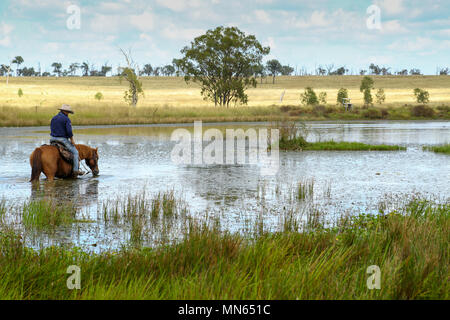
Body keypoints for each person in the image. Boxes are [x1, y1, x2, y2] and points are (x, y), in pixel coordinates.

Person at [50, 104, 84, 177]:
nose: (68, 114)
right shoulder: (66, 119)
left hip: (52, 139)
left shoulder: (53, 118)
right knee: (75, 152)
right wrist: (72, 140)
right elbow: (69, 131)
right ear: (64, 111)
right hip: (62, 139)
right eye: (68, 112)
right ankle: (75, 171)